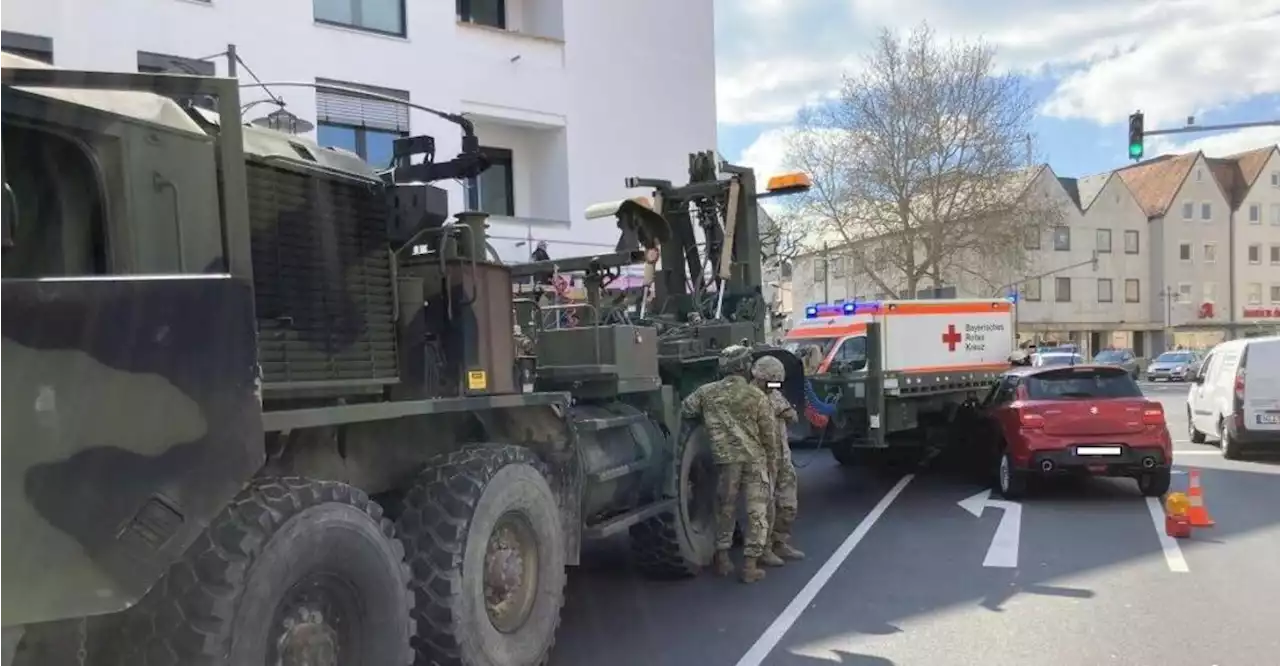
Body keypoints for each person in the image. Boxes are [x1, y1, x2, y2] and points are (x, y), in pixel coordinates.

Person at [680, 345, 777, 583]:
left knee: (725, 508)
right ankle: (750, 566)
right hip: (754, 460)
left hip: (726, 460)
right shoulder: (757, 396)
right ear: (745, 367)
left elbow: (685, 409)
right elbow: (769, 435)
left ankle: (722, 559)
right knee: (756, 511)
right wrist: (772, 461)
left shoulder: (706, 392)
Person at [751, 356, 805, 562]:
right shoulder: (748, 397)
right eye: (771, 380)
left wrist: (780, 407)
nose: (773, 384)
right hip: (761, 459)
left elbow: (793, 417)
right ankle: (763, 549)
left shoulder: (774, 395)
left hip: (781, 457)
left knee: (788, 503)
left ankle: (779, 542)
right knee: (764, 506)